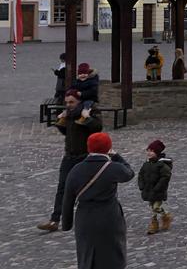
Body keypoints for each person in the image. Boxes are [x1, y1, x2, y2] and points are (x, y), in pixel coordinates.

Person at [61, 132, 135, 268]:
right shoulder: (113, 168)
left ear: (89, 148)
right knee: (111, 255)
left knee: (87, 256)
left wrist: (66, 224)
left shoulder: (76, 170)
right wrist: (116, 156)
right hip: (109, 217)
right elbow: (129, 172)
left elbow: (67, 200)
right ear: (108, 148)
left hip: (85, 218)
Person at [37, 89, 103, 232]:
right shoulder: (69, 114)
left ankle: (93, 218)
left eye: (71, 102)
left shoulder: (90, 110)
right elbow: (66, 133)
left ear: (79, 101)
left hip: (85, 157)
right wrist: (60, 122)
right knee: (62, 188)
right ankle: (55, 220)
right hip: (69, 156)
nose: (68, 105)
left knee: (88, 188)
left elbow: (98, 128)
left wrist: (87, 118)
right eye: (66, 102)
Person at [138, 139, 174, 235]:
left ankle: (166, 215)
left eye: (152, 151)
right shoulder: (146, 164)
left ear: (157, 152)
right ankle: (154, 224)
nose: (149, 153)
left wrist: (158, 188)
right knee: (152, 208)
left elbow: (165, 177)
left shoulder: (162, 165)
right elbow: (140, 174)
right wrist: (141, 185)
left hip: (158, 191)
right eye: (148, 150)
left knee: (156, 207)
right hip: (148, 190)